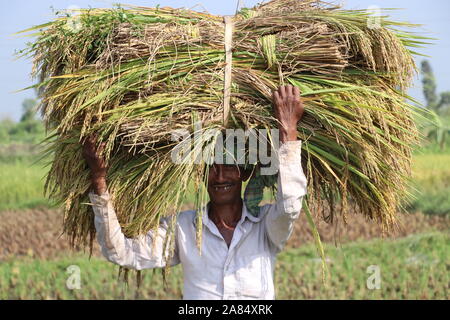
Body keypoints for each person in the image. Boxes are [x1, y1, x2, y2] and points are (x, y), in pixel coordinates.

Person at [83, 85, 307, 300]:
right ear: (200, 175)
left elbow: (290, 204)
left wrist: (288, 129)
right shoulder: (184, 229)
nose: (219, 177)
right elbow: (122, 253)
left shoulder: (266, 226)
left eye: (228, 166)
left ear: (245, 173)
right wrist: (99, 179)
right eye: (211, 167)